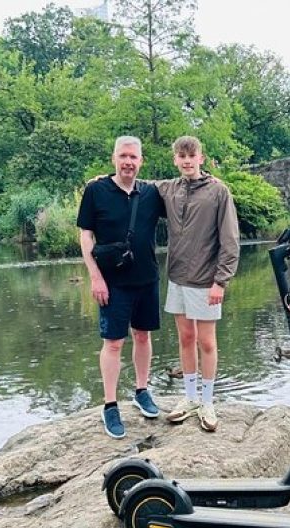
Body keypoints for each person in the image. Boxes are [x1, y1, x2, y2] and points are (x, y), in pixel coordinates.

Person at [77, 136, 165, 439]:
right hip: (112, 283)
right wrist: (95, 277)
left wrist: (206, 177)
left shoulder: (152, 193)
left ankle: (142, 390)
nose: (128, 162)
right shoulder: (96, 190)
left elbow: (185, 194)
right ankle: (110, 405)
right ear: (114, 157)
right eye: (123, 156)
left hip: (147, 277)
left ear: (141, 161)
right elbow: (86, 236)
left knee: (143, 335)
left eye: (134, 157)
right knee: (114, 343)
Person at [157, 136, 240, 432]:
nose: (187, 160)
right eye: (181, 156)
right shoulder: (169, 189)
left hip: (206, 280)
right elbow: (135, 186)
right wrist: (107, 177)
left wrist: (221, 282)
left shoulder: (219, 191)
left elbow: (230, 241)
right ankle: (189, 398)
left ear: (201, 158)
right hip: (177, 278)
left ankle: (207, 402)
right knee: (185, 339)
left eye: (192, 155)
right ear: (175, 160)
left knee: (206, 341)